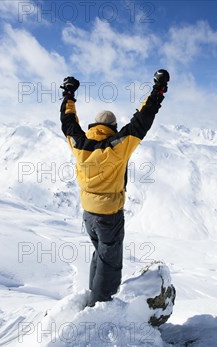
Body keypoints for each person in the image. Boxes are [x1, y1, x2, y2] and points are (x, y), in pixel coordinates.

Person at [59, 70, 169, 307]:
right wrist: (157, 90)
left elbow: (68, 123)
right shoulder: (118, 146)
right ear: (112, 127)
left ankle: (93, 298)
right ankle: (102, 307)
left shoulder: (80, 144)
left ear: (95, 125)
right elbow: (143, 118)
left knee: (100, 254)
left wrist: (69, 94)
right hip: (109, 215)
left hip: (88, 213)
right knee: (110, 262)